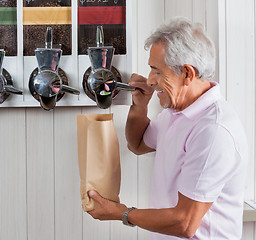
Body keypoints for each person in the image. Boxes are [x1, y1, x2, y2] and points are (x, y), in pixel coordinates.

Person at [87, 17, 248, 239]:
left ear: (187, 74)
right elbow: (138, 144)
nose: (150, 80)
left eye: (157, 71)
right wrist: (139, 106)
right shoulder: (178, 111)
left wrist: (122, 213)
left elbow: (185, 223)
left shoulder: (213, 130)